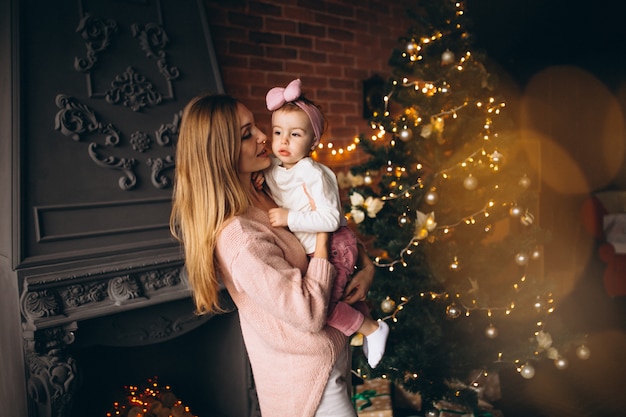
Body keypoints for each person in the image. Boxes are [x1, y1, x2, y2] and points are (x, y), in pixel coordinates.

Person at [169, 93, 375, 417]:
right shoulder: (240, 238)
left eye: (255, 126)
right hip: (307, 387)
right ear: (222, 154)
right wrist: (322, 239)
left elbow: (328, 233)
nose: (265, 136)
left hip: (330, 361)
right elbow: (307, 312)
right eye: (247, 134)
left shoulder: (264, 190)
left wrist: (366, 267)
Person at [263, 79, 389, 369]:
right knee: (335, 296)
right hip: (314, 250)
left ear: (313, 141)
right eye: (278, 132)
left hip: (335, 245)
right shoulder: (274, 166)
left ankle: (372, 329)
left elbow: (332, 219)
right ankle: (363, 319)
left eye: (295, 134)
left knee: (321, 306)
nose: (283, 141)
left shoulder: (313, 174)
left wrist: (289, 218)